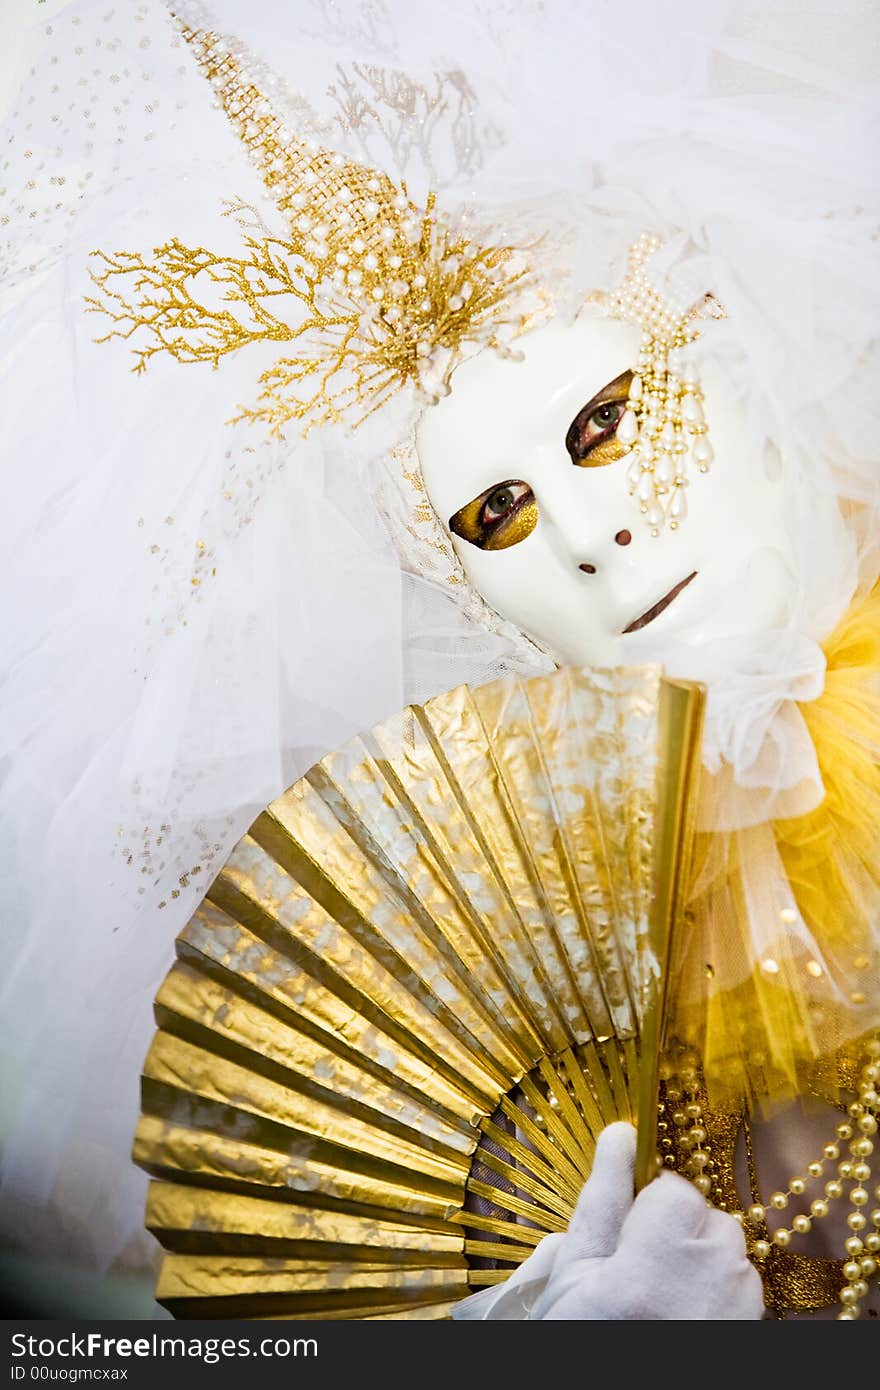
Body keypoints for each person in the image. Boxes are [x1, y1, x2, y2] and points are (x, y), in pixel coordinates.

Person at [0, 0, 877, 1320]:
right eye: (496, 514)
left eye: (606, 421)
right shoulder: (564, 943)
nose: (589, 536)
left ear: (727, 343)